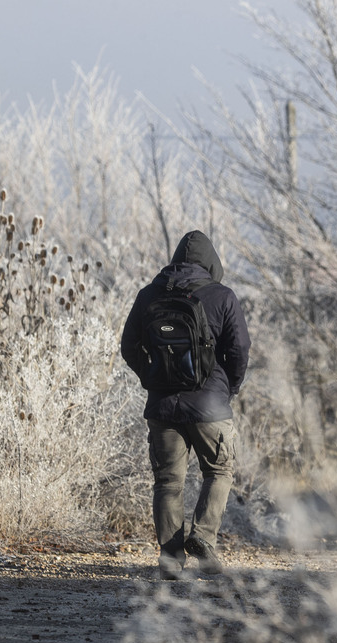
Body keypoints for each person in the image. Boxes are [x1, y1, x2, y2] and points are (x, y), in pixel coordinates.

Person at [120, 230, 250, 580]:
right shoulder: (222, 296)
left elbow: (128, 346)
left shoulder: (149, 295)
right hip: (210, 404)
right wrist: (228, 388)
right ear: (211, 263)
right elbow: (239, 351)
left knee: (167, 481)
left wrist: (152, 377)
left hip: (162, 406)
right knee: (220, 471)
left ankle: (171, 557)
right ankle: (203, 537)